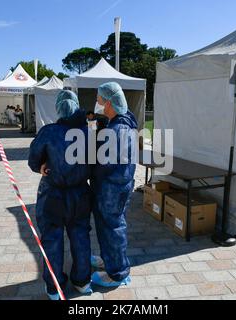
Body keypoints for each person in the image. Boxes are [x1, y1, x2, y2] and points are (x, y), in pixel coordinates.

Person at [28, 91, 92, 301]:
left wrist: (44, 165)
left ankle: (55, 287)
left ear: (58, 108)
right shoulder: (88, 132)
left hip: (53, 194)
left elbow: (33, 161)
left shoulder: (49, 131)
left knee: (53, 240)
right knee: (80, 237)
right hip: (81, 193)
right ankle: (82, 281)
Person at [90, 82, 137, 288]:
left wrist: (88, 171)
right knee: (108, 226)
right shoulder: (122, 123)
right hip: (117, 184)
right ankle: (109, 260)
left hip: (112, 187)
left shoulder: (118, 129)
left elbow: (104, 164)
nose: (97, 103)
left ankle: (117, 272)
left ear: (108, 102)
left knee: (113, 228)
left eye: (99, 99)